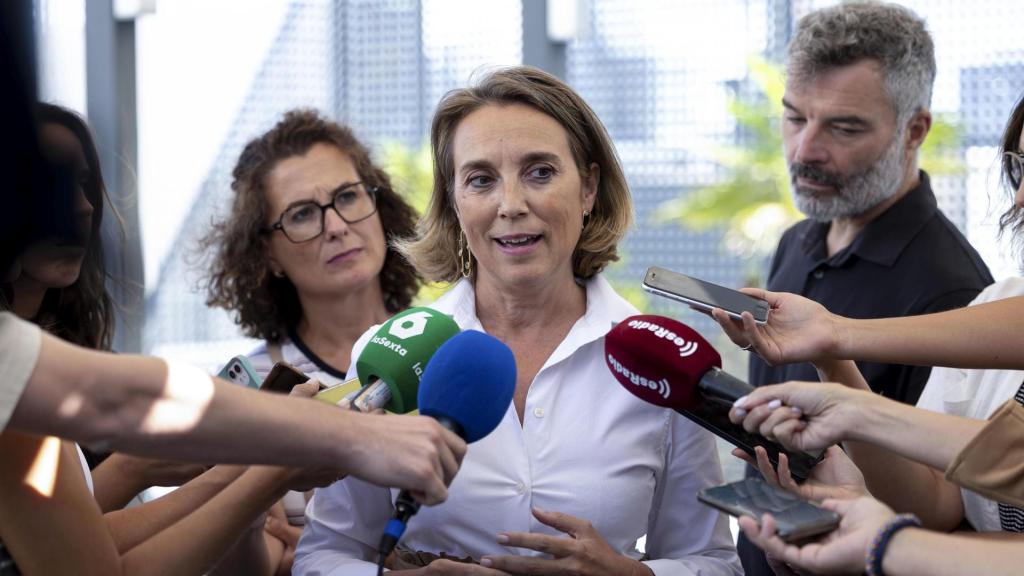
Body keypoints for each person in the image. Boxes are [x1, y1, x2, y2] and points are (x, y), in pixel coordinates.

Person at [294, 66, 741, 575]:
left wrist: (631, 575)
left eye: (540, 172)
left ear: (589, 188)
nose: (511, 205)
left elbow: (713, 561)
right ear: (455, 201)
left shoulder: (662, 363)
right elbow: (322, 555)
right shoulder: (387, 356)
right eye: (481, 180)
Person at [738, 3, 992, 571]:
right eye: (795, 118)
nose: (804, 151)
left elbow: (939, 512)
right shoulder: (797, 242)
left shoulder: (955, 293)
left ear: (915, 129)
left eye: (844, 127)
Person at [204, 108, 420, 384]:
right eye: (302, 214)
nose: (337, 227)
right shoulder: (255, 391)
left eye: (347, 196)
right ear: (267, 255)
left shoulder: (450, 341)